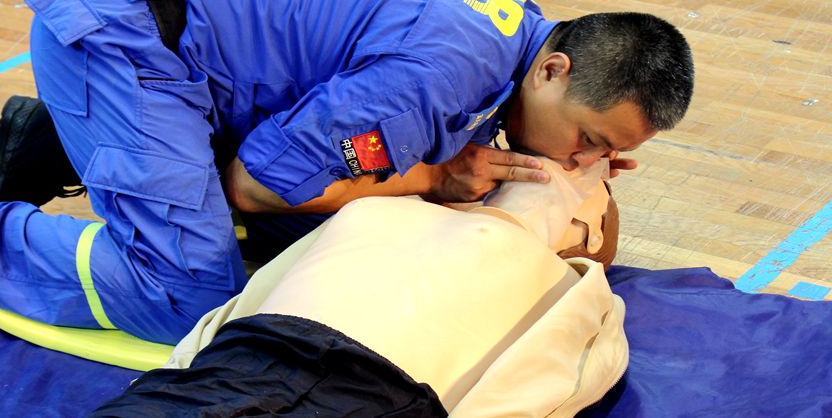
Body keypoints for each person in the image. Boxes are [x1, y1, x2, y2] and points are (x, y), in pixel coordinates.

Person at [0, 0, 694, 344]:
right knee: (190, 295)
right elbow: (259, 182)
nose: (584, 163)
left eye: (608, 156)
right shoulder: (437, 73)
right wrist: (434, 179)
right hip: (125, 39)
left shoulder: (522, 34)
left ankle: (54, 142)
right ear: (554, 72)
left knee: (312, 231)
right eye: (587, 139)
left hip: (177, 24)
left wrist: (450, 173)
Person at [88, 158, 626, 417]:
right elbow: (557, 383)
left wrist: (174, 381)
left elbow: (230, 318)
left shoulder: (372, 213)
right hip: (331, 384)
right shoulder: (565, 280)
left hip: (248, 365)